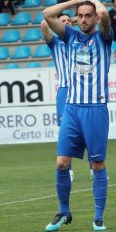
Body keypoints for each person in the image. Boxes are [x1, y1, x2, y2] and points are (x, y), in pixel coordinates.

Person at [43, 0, 112, 232]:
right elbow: (47, 14)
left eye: (87, 15)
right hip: (72, 108)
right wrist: (75, 2)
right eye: (80, 15)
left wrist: (92, 2)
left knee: (97, 163)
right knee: (62, 163)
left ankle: (98, 217)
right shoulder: (70, 37)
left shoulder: (104, 37)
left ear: (94, 18)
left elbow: (104, 14)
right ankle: (64, 212)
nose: (83, 19)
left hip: (95, 109)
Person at [41, 14, 74, 182]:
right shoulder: (54, 43)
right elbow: (43, 24)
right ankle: (68, 168)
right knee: (65, 131)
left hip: (81, 90)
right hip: (64, 90)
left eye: (69, 21)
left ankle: (93, 166)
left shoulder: (79, 40)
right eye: (63, 21)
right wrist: (63, 22)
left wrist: (70, 23)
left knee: (86, 129)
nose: (67, 23)